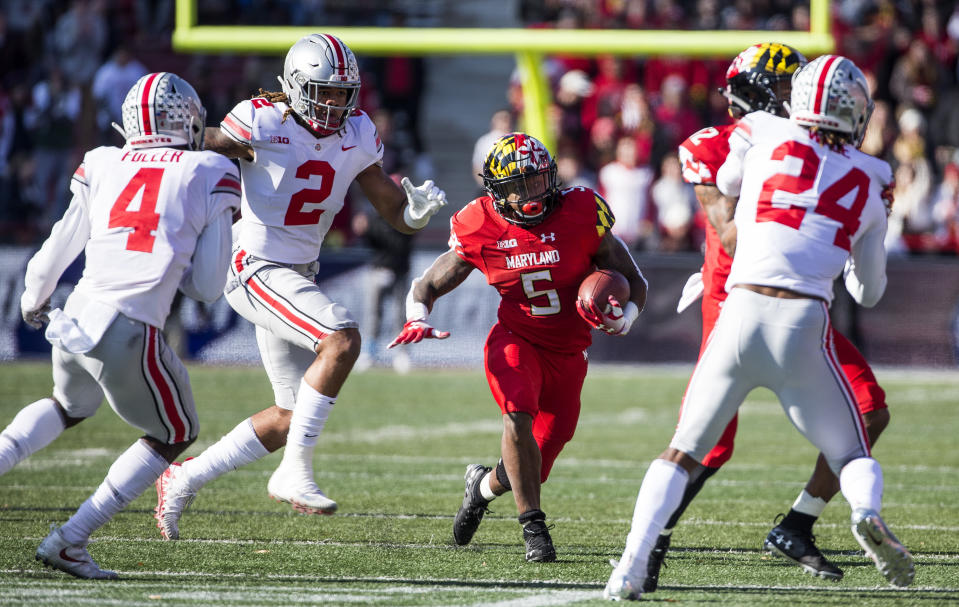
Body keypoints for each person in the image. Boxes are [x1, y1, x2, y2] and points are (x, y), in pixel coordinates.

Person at [605, 55, 913, 601]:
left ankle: (631, 564)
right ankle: (864, 511)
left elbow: (730, 189)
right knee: (852, 455)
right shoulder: (874, 175)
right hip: (800, 317)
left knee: (682, 449)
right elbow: (868, 291)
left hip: (742, 308)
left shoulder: (761, 133)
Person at [153, 33, 447, 539]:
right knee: (342, 339)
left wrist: (414, 214)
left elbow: (392, 211)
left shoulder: (356, 132)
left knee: (290, 415)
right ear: (293, 85)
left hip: (297, 273)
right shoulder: (262, 118)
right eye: (323, 91)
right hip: (254, 263)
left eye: (342, 93)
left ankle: (183, 477)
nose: (334, 103)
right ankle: (294, 471)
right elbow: (200, 144)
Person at [0, 72, 239, 578]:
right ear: (189, 121)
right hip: (129, 328)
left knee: (67, 405)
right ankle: (70, 539)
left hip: (77, 315)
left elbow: (58, 247)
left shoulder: (104, 161)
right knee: (177, 432)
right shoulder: (209, 169)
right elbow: (209, 286)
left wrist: (32, 297)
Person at [389, 132, 648, 561]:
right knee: (517, 415)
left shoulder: (581, 211)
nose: (529, 194)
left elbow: (633, 278)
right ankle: (534, 529)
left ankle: (481, 488)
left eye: (536, 181)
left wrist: (627, 320)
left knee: (537, 456)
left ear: (552, 178)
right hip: (517, 339)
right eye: (516, 187)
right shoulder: (481, 224)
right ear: (495, 192)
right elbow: (429, 282)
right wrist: (417, 315)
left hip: (569, 352)